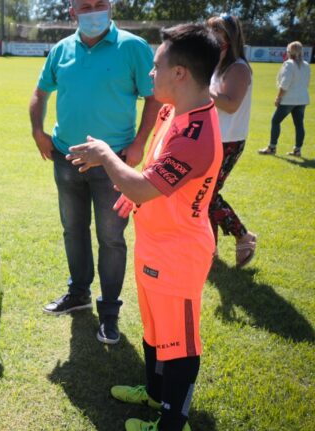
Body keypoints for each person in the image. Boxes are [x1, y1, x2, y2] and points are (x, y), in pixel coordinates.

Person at [68, 23, 222, 431]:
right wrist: (135, 192)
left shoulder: (197, 133)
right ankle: (155, 395)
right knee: (156, 330)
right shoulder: (174, 111)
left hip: (179, 254)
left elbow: (142, 180)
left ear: (180, 74)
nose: (150, 74)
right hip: (154, 243)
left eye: (156, 66)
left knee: (181, 342)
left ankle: (172, 421)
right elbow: (153, 174)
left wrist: (106, 155)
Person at [28, 0, 160, 344]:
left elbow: (155, 98)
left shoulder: (133, 47)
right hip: (66, 158)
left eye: (99, 3)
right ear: (73, 10)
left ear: (111, 6)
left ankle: (110, 312)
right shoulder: (61, 49)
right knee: (73, 229)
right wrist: (37, 131)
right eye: (85, 5)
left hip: (113, 164)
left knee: (111, 238)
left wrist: (140, 142)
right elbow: (40, 92)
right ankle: (78, 293)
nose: (93, 10)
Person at [206, 14, 257, 268]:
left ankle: (243, 236)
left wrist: (203, 88)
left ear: (230, 37)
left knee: (207, 194)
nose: (212, 37)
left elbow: (230, 103)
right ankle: (209, 249)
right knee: (205, 194)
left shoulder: (238, 67)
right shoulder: (217, 65)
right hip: (213, 137)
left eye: (217, 32)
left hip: (229, 140)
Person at [259, 41, 311, 157]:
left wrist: (278, 97)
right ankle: (297, 150)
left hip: (289, 99)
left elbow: (284, 84)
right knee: (299, 124)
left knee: (275, 121)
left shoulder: (288, 64)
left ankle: (272, 147)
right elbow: (306, 83)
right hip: (302, 99)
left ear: (289, 52)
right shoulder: (306, 65)